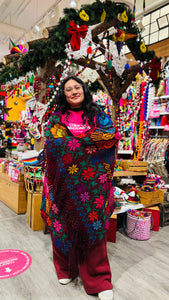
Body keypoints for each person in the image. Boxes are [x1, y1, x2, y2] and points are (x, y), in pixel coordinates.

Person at [41, 76, 120, 300]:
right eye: (69, 89)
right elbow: (53, 144)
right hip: (63, 184)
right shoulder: (57, 117)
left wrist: (75, 143)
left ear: (84, 89)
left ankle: (99, 279)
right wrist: (88, 142)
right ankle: (65, 268)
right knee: (63, 227)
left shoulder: (98, 114)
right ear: (63, 94)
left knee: (93, 231)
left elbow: (110, 138)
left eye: (77, 87)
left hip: (93, 186)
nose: (74, 91)